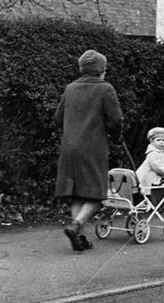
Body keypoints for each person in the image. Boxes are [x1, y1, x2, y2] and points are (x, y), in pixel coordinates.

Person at [54, 49, 123, 252]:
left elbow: (58, 119)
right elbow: (116, 120)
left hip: (68, 148)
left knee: (77, 194)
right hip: (92, 147)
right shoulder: (105, 88)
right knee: (96, 194)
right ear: (101, 70)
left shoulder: (71, 88)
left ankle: (79, 237)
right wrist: (116, 135)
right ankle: (75, 226)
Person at [135, 127, 164, 194]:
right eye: (158, 140)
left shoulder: (160, 152)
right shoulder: (152, 153)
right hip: (146, 178)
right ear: (152, 142)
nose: (161, 142)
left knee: (154, 193)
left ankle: (150, 203)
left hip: (153, 178)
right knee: (149, 193)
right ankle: (148, 203)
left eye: (163, 140)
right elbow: (157, 166)